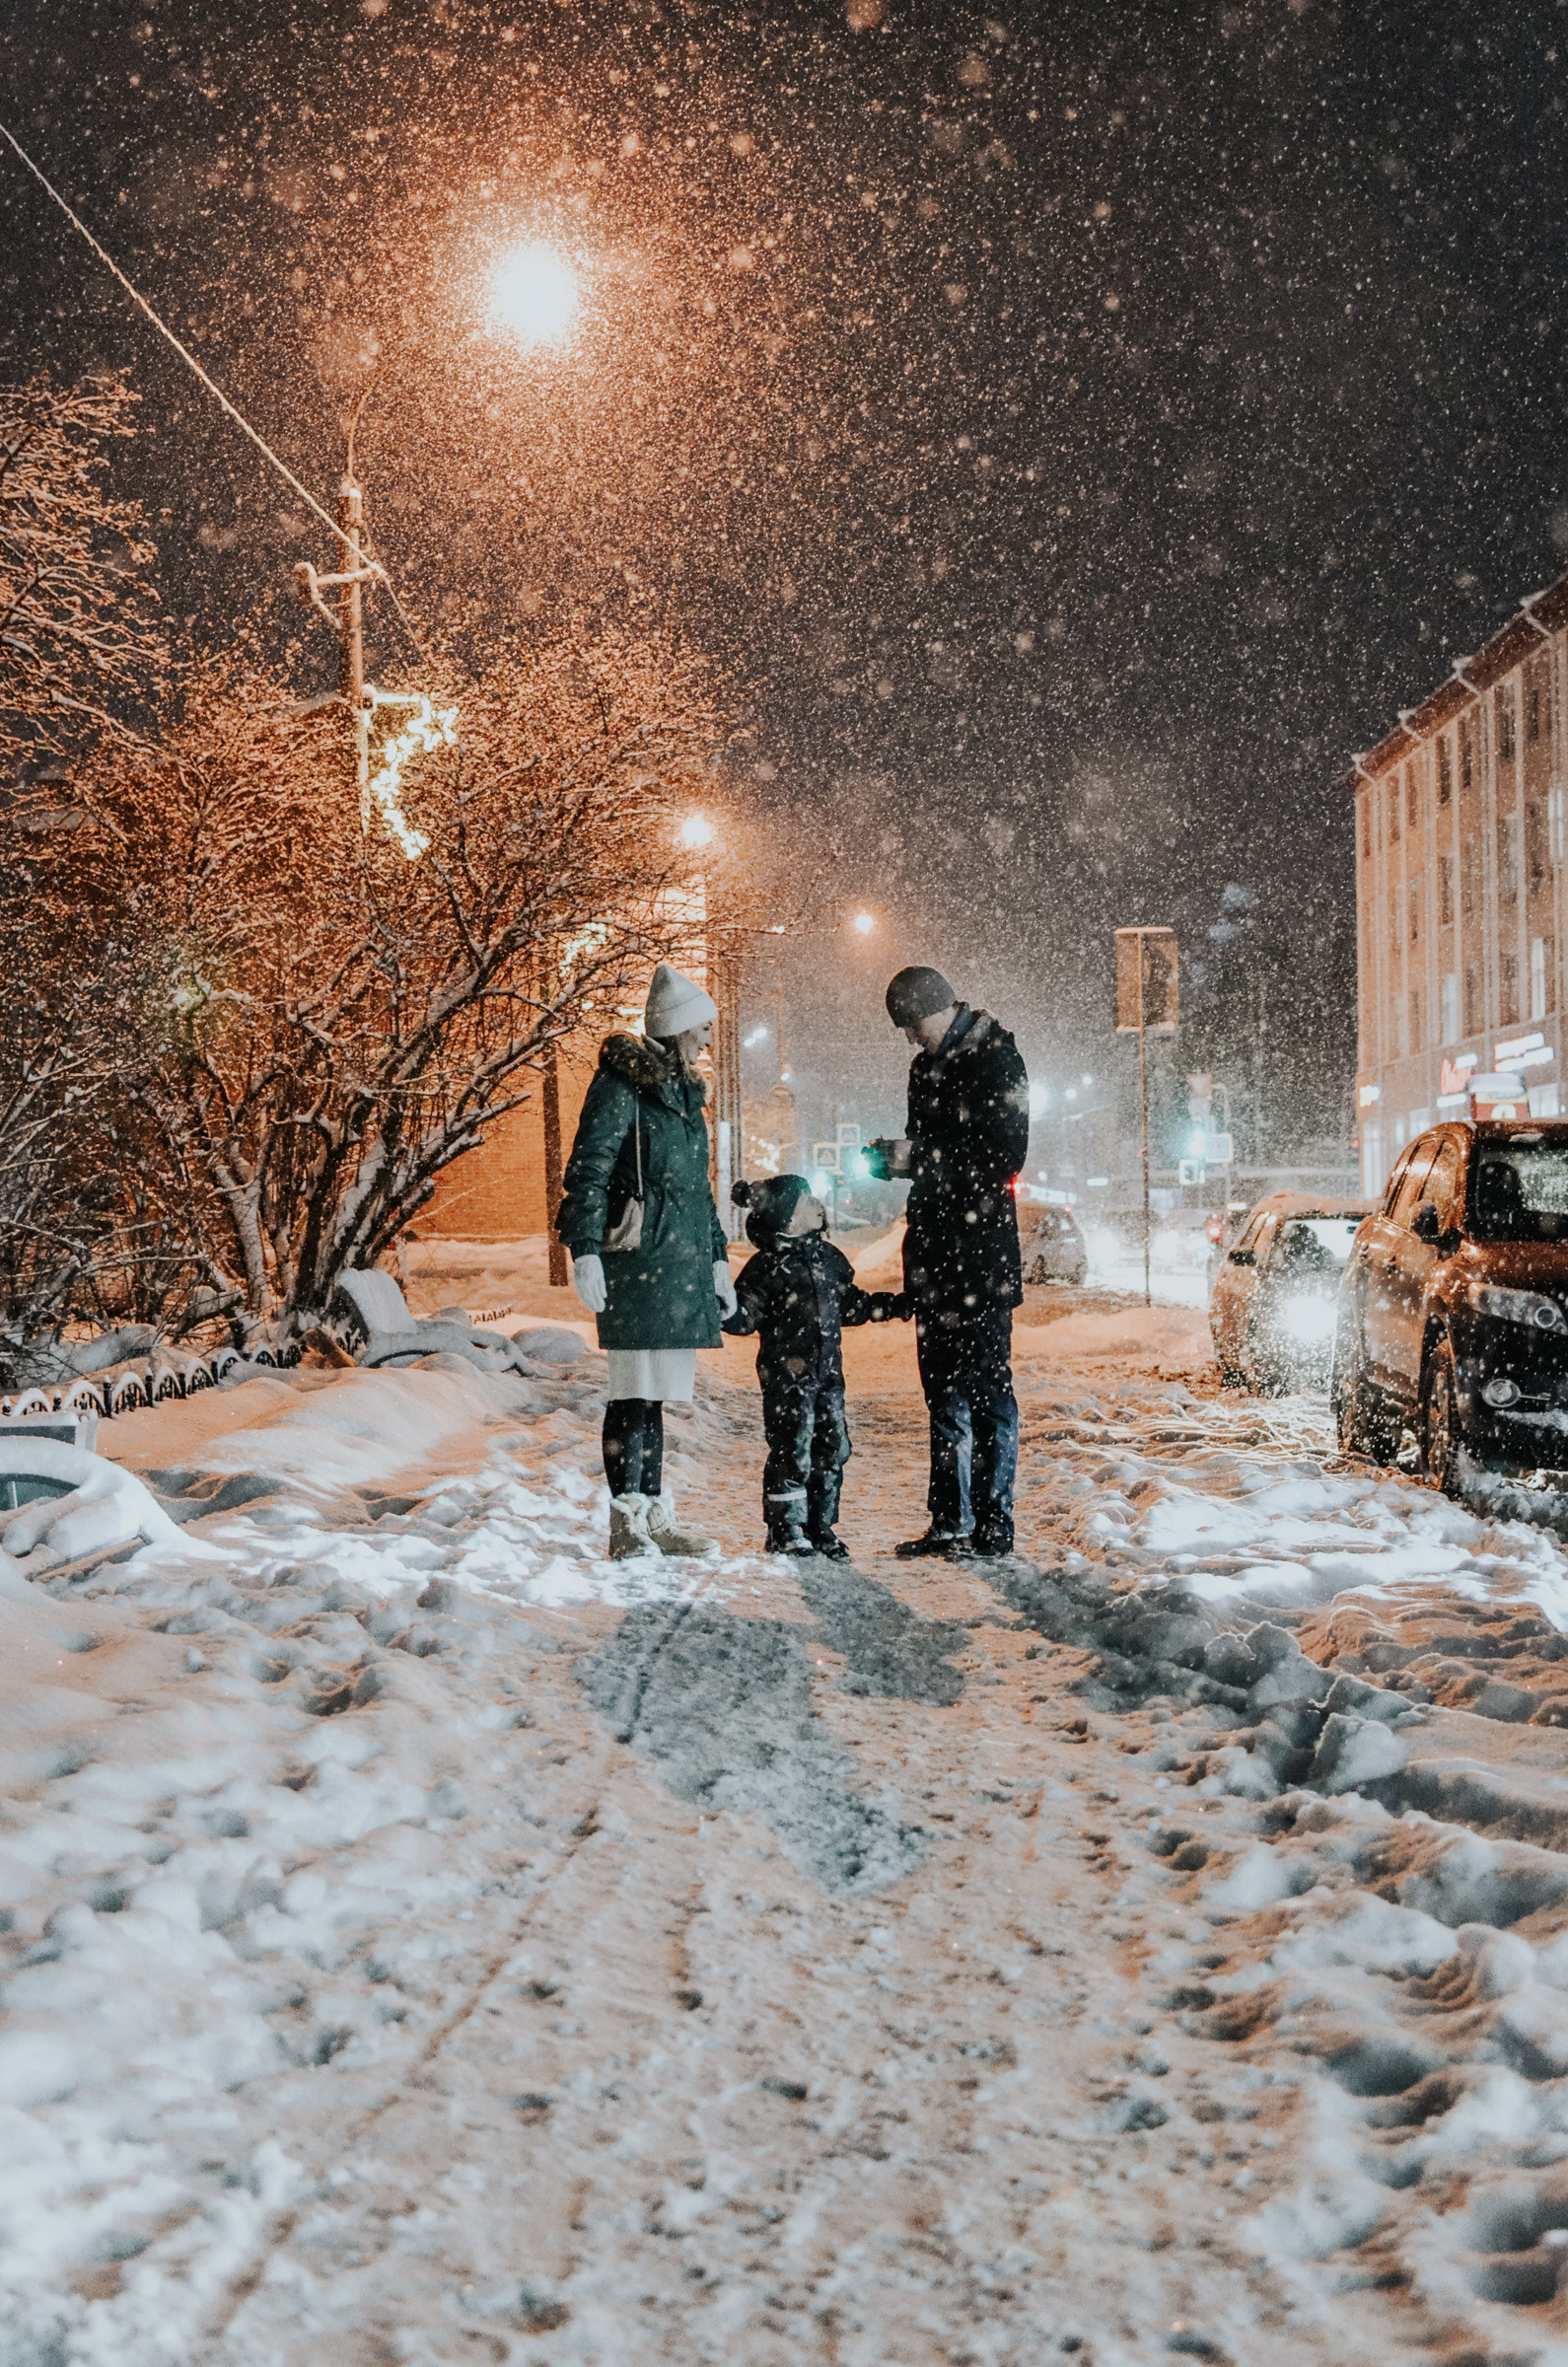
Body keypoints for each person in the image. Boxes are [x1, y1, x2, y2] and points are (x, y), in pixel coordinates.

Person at [555, 962, 739, 1559]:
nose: (709, 1039)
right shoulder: (621, 1086)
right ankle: (625, 1525)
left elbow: (697, 1189)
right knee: (632, 1394)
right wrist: (584, 1250)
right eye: (703, 1027)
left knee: (654, 1396)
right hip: (638, 1264)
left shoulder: (686, 1096)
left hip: (677, 1263)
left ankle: (654, 1516)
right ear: (679, 1028)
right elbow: (588, 1170)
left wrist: (717, 1261)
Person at [867, 965, 1030, 1559]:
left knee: (986, 1394)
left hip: (980, 1259)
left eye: (913, 1025)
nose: (911, 1038)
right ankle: (949, 1521)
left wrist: (921, 1158)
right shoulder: (924, 1068)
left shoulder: (998, 1060)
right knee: (941, 1395)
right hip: (936, 1258)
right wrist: (897, 1162)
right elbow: (935, 1157)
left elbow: (1004, 1155)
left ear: (939, 1010)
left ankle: (992, 1524)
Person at [722, 1175, 909, 1558]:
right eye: (807, 1199)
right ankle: (785, 1528)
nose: (817, 1203)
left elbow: (850, 1305)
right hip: (786, 1378)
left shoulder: (828, 1258)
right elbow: (745, 1317)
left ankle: (819, 1524)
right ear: (789, 1217)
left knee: (833, 1447)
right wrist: (725, 1309)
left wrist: (892, 1305)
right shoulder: (768, 1267)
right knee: (792, 1448)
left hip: (828, 1377)